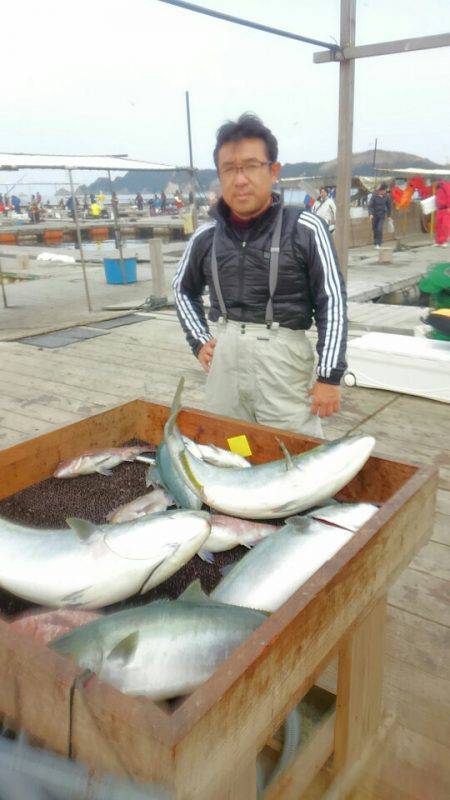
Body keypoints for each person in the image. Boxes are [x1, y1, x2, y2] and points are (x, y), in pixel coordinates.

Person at [172, 113, 347, 436]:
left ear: (273, 171)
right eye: (229, 169)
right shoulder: (206, 236)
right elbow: (182, 290)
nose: (240, 179)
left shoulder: (306, 228)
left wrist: (329, 375)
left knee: (293, 450)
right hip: (225, 356)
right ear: (220, 175)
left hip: (283, 360)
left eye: (251, 166)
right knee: (230, 442)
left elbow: (332, 302)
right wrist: (199, 340)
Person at [368, 183, 392, 248]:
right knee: (374, 229)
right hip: (374, 215)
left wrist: (389, 216)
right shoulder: (374, 196)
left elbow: (389, 206)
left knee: (379, 228)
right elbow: (370, 206)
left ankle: (379, 243)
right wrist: (370, 214)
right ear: (379, 190)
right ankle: (375, 242)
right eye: (382, 191)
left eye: (384, 191)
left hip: (382, 215)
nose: (384, 192)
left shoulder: (386, 197)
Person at [434, 180, 450, 248]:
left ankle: (444, 241)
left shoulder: (445, 186)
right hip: (439, 209)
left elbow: (449, 196)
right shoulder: (438, 187)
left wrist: (449, 206)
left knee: (445, 225)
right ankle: (439, 241)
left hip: (445, 209)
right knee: (438, 226)